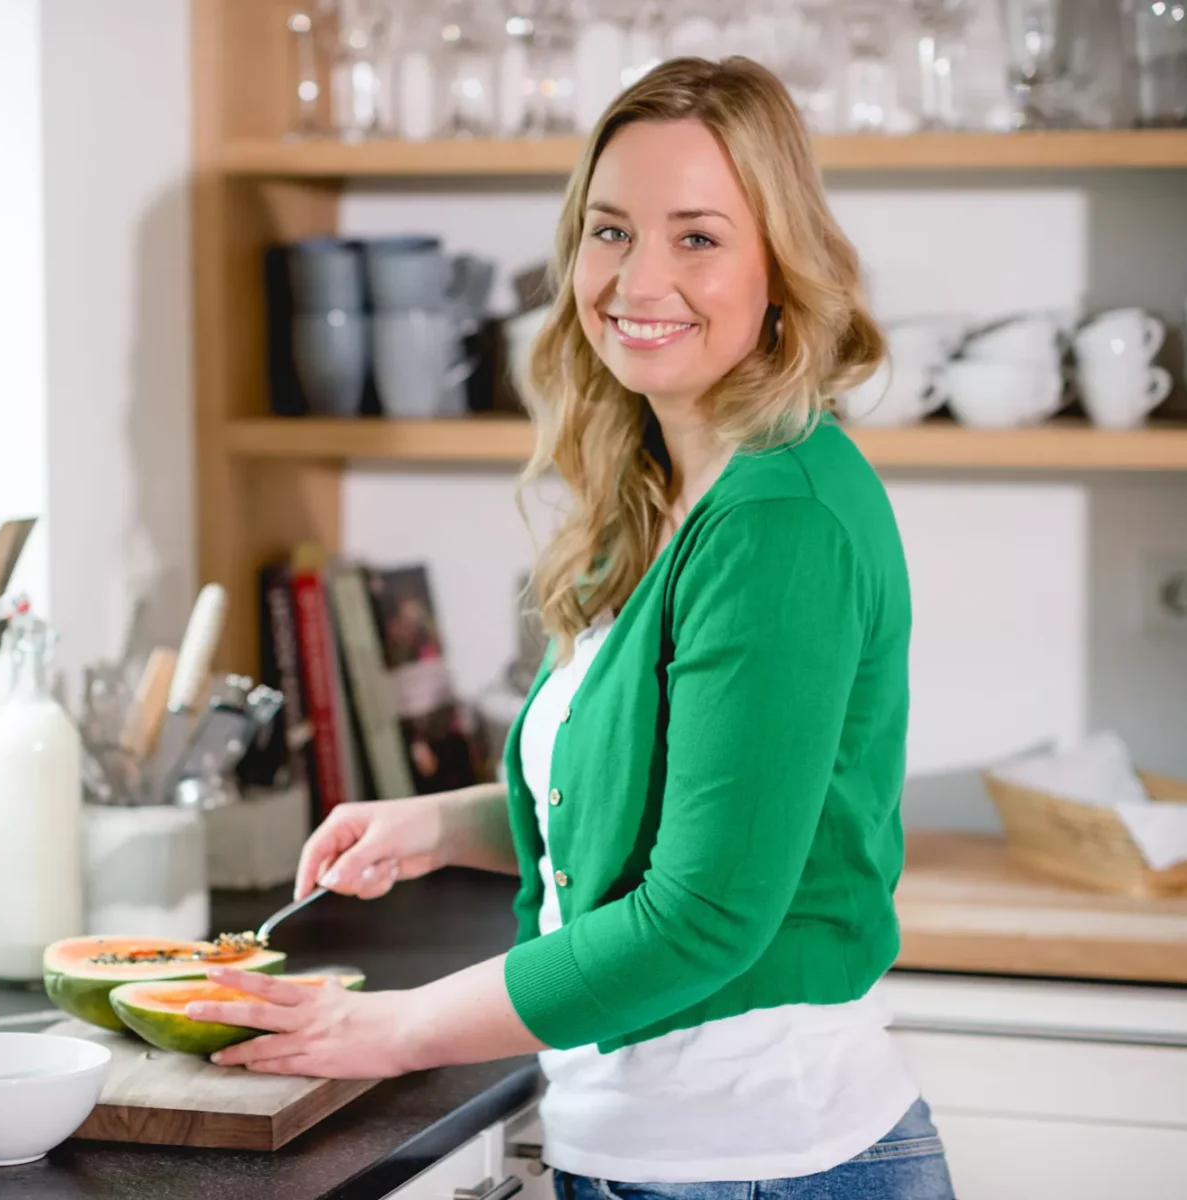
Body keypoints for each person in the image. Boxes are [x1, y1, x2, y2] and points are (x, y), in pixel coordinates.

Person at [182, 56, 957, 1199]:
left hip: (766, 1166)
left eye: (698, 236)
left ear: (780, 269)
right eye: (609, 231)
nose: (638, 277)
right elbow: (661, 797)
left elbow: (701, 919)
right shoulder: (657, 488)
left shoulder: (779, 519)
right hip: (644, 1155)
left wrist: (392, 1030)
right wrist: (441, 826)